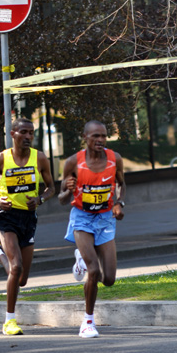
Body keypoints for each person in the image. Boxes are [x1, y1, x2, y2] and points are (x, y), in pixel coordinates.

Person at [0, 118, 55, 336]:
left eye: (31, 133)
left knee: (21, 280)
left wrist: (39, 200)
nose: (28, 136)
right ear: (13, 134)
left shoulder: (40, 158)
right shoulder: (1, 159)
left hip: (28, 219)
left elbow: (51, 188)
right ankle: (9, 321)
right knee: (16, 266)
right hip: (6, 216)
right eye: (24, 132)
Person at [59, 120, 126, 338]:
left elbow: (121, 184)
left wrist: (119, 203)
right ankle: (87, 322)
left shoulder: (114, 159)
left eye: (104, 136)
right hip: (82, 218)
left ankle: (80, 260)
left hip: (105, 219)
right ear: (85, 137)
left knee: (109, 279)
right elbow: (61, 198)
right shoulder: (72, 162)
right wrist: (68, 191)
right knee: (94, 270)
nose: (100, 140)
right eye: (95, 136)